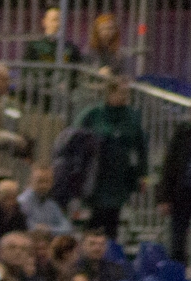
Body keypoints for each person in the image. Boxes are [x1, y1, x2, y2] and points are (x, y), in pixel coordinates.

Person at [74, 77, 147, 240]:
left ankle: (109, 254)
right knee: (94, 218)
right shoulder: (93, 114)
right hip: (95, 175)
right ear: (109, 93)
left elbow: (141, 147)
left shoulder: (132, 117)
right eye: (120, 92)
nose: (124, 97)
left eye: (126, 93)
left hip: (119, 176)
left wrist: (143, 174)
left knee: (113, 219)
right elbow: (76, 140)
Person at [156, 119, 191, 264]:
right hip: (182, 194)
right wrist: (164, 197)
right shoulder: (182, 132)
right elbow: (170, 165)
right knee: (177, 241)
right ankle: (178, 277)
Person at [18, 165, 72, 235]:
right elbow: (27, 227)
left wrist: (49, 230)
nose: (44, 185)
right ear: (31, 181)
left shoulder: (51, 204)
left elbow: (67, 227)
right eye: (40, 181)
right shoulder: (22, 202)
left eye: (47, 181)